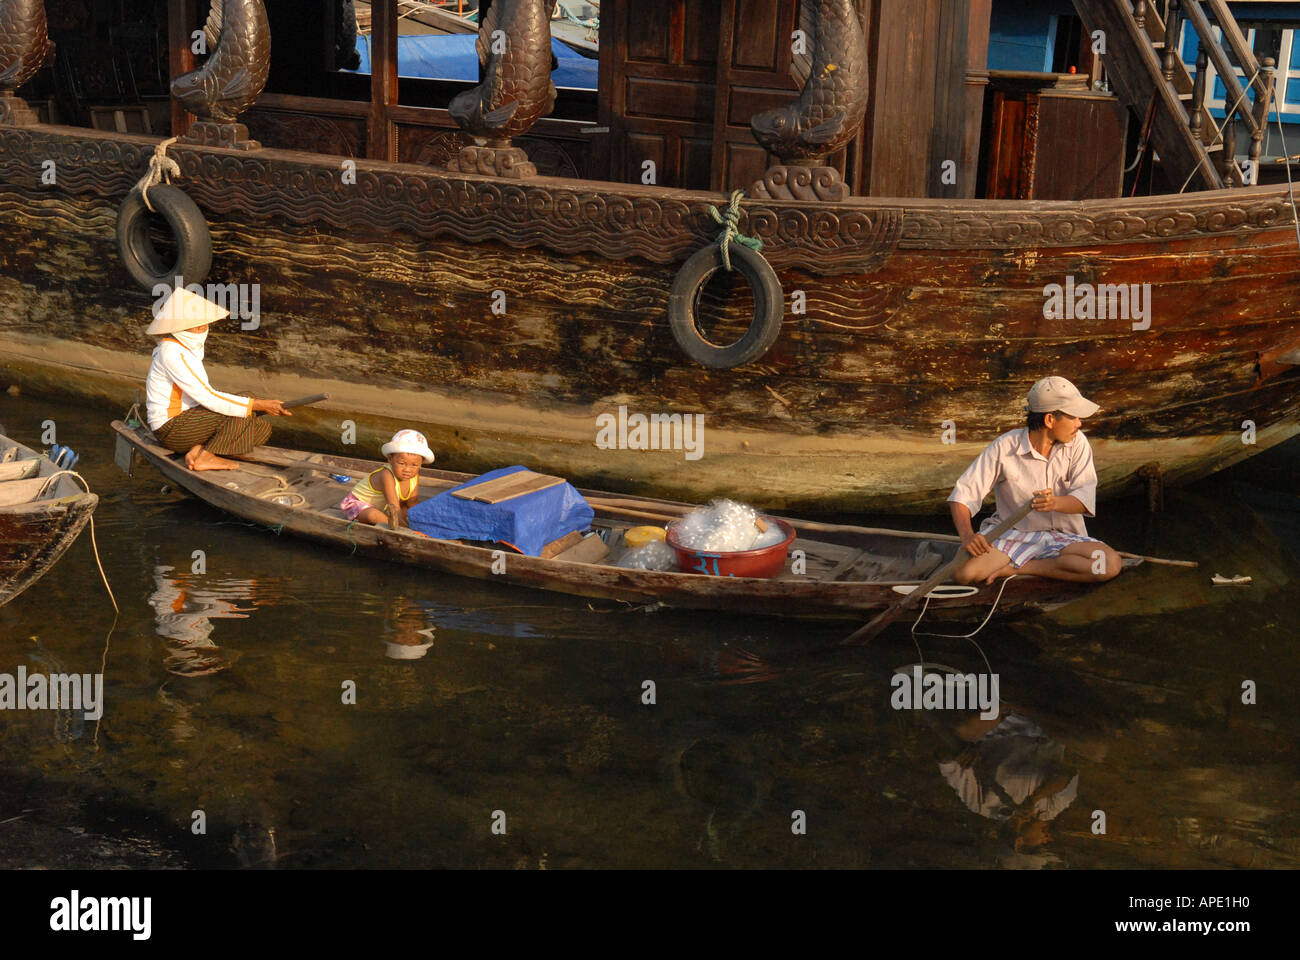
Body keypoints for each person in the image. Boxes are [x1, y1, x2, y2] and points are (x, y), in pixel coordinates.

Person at [947, 376, 1122, 585]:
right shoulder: (1005, 446)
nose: (1079, 423)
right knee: (963, 573)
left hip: (1063, 538)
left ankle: (1020, 568)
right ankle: (1031, 562)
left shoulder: (1078, 443)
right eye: (1073, 417)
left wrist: (1055, 503)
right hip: (1014, 535)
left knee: (1106, 565)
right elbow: (963, 495)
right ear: (1049, 420)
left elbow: (1083, 500)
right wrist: (967, 536)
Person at [145, 287, 291, 471]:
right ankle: (205, 457)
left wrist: (256, 405)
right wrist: (260, 405)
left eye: (204, 322)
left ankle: (198, 449)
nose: (202, 327)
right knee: (244, 413)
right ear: (178, 326)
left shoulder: (184, 349)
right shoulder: (172, 353)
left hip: (190, 417)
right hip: (171, 428)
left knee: (261, 430)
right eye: (195, 324)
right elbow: (208, 397)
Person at [340, 429, 435, 529]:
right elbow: (394, 506)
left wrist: (425, 518)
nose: (407, 469)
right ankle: (397, 525)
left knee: (408, 512)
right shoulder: (386, 475)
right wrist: (405, 527)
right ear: (390, 459)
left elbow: (412, 501)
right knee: (372, 515)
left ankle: (396, 522)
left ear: (421, 464)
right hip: (359, 505)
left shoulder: (415, 477)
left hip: (384, 507)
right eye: (402, 463)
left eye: (414, 465)